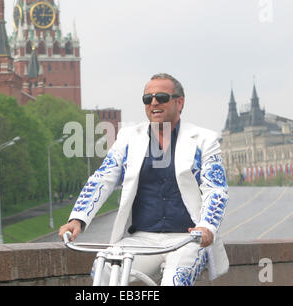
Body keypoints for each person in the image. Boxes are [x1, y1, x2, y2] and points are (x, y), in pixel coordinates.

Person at [59, 73, 229, 286]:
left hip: (188, 239)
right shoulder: (129, 138)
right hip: (141, 239)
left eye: (161, 97)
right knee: (104, 270)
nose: (154, 102)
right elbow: (103, 178)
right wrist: (78, 219)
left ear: (179, 102)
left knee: (174, 282)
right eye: (148, 99)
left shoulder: (204, 140)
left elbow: (216, 189)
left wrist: (207, 227)